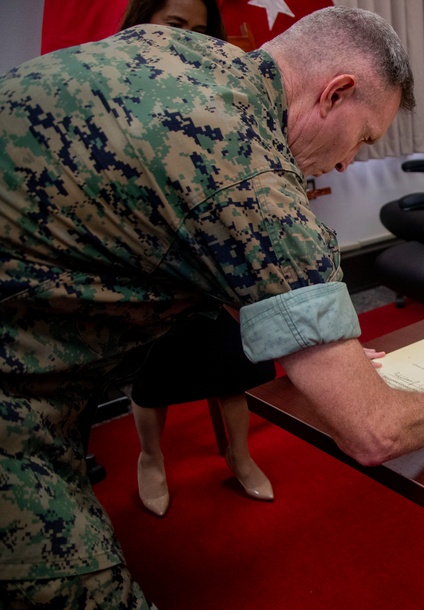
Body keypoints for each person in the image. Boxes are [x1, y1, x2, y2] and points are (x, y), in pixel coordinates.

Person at [0, 7, 424, 610]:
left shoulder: (173, 54)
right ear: (333, 93)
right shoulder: (250, 180)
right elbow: (373, 432)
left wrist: (318, 344)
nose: (345, 165)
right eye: (362, 139)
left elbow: (171, 227)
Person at [116, 0, 278, 517]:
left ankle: (239, 454)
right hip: (143, 254)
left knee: (230, 362)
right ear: (144, 20)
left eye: (200, 31)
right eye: (175, 24)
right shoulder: (114, 80)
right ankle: (151, 460)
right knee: (153, 374)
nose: (187, 39)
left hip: (206, 251)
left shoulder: (211, 87)